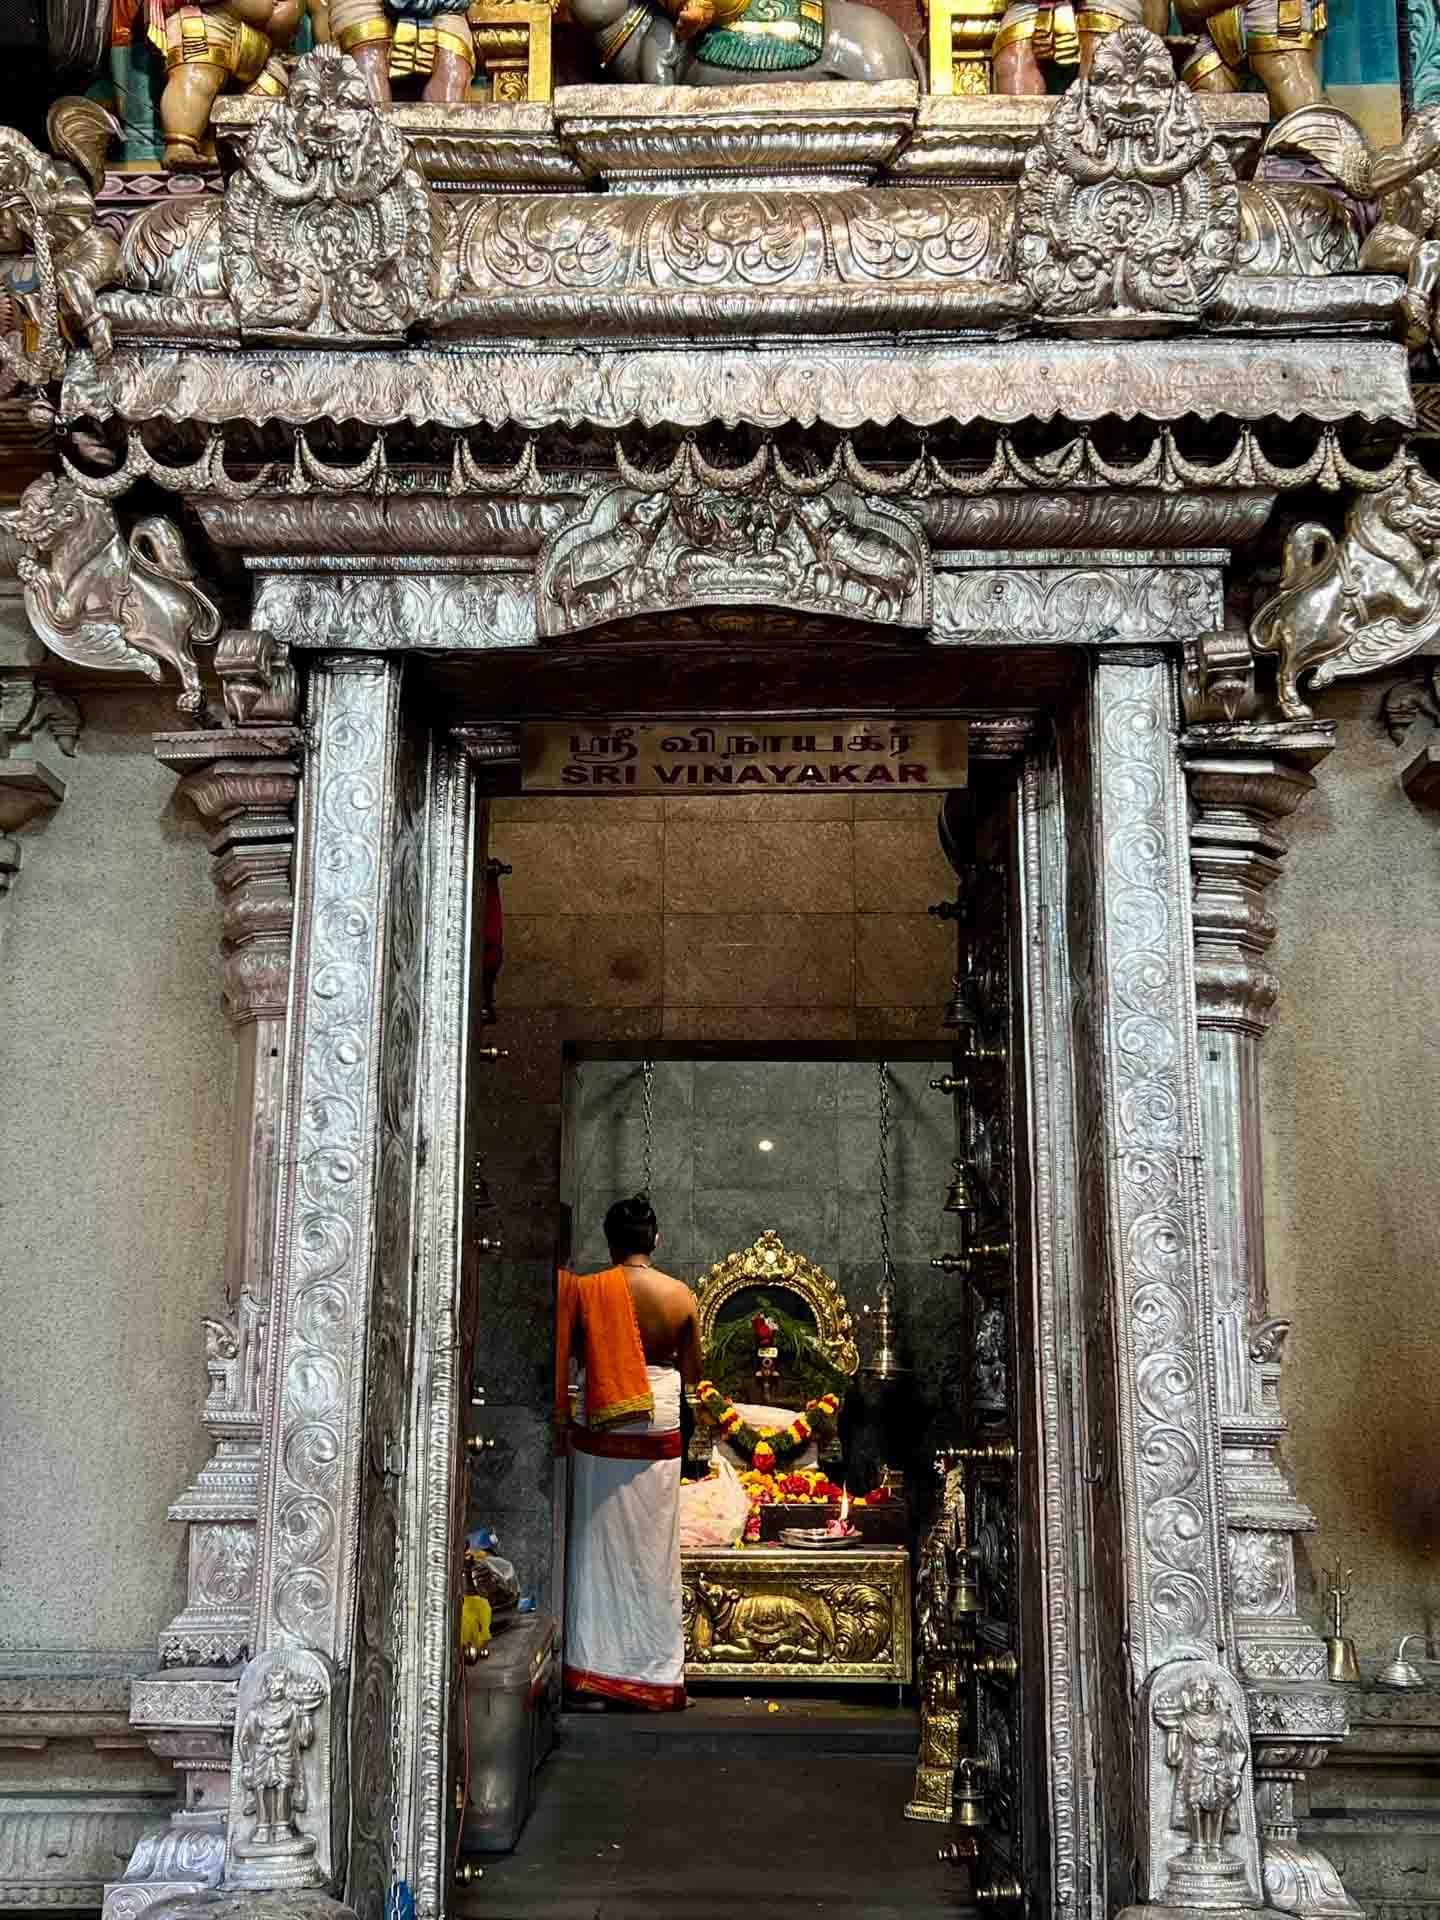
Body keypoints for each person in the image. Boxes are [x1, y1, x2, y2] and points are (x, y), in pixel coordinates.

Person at [556, 1194, 701, 1711]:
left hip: (602, 1410)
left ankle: (594, 1676)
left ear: (610, 1241)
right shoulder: (679, 1294)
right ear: (655, 1240)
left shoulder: (590, 1291)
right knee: (652, 1545)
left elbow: (572, 1353)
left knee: (595, 1544)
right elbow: (693, 1371)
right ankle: (653, 1675)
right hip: (659, 1412)